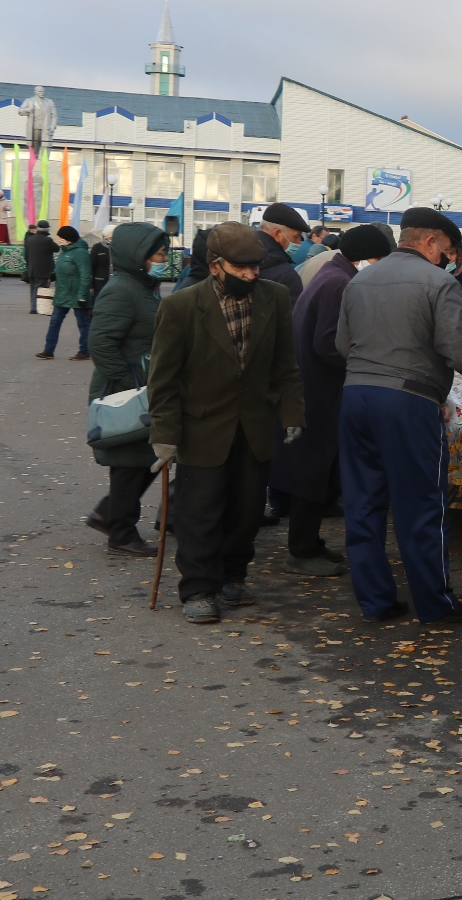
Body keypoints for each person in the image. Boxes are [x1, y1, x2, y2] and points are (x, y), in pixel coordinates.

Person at [335, 207, 462, 625]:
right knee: (421, 503)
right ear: (430, 242)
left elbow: (342, 344)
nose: (447, 257)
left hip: (355, 397)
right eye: (446, 248)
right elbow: (459, 349)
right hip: (406, 402)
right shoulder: (438, 282)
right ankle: (436, 605)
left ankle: (375, 601)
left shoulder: (361, 279)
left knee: (363, 503)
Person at [147, 222, 306, 624]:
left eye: (257, 267)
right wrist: (164, 436)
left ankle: (234, 575)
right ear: (216, 266)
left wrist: (291, 413)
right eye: (243, 269)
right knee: (199, 513)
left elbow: (286, 367)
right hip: (201, 428)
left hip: (254, 425)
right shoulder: (180, 307)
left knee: (247, 512)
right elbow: (163, 380)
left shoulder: (276, 297)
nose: (253, 275)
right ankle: (199, 588)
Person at [270, 223, 395, 576]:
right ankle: (302, 550)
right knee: (311, 473)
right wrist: (363, 365)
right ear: (367, 258)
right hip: (318, 391)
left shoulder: (334, 273)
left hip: (314, 387)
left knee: (316, 472)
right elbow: (328, 342)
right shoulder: (340, 283)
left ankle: (309, 543)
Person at [85, 222, 172, 556]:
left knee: (145, 458)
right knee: (129, 463)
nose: (164, 259)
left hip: (141, 387)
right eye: (159, 254)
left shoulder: (142, 285)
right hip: (124, 393)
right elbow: (101, 343)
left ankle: (108, 515)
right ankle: (120, 531)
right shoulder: (121, 289)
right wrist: (130, 383)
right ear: (139, 256)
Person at [37, 226, 93, 360]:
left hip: (77, 294)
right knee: (54, 322)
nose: (58, 240)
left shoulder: (80, 253)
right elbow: (62, 268)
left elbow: (86, 275)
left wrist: (82, 295)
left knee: (83, 323)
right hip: (63, 293)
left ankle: (84, 351)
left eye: (60, 238)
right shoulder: (64, 252)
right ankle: (48, 350)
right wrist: (53, 275)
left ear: (68, 239)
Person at [255, 203, 307, 302]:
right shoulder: (287, 276)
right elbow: (293, 315)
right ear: (277, 234)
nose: (299, 242)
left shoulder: (238, 255)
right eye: (296, 236)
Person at [24, 220, 58, 314]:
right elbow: (56, 248)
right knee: (40, 288)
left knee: (33, 288)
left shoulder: (29, 239)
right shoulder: (47, 240)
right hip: (44, 269)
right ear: (47, 229)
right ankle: (35, 308)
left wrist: (28, 265)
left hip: (32, 268)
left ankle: (33, 306)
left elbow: (26, 255)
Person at [88, 224, 114, 298]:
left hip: (116, 284)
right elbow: (91, 267)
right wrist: (91, 285)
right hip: (100, 284)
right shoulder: (97, 247)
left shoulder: (120, 248)